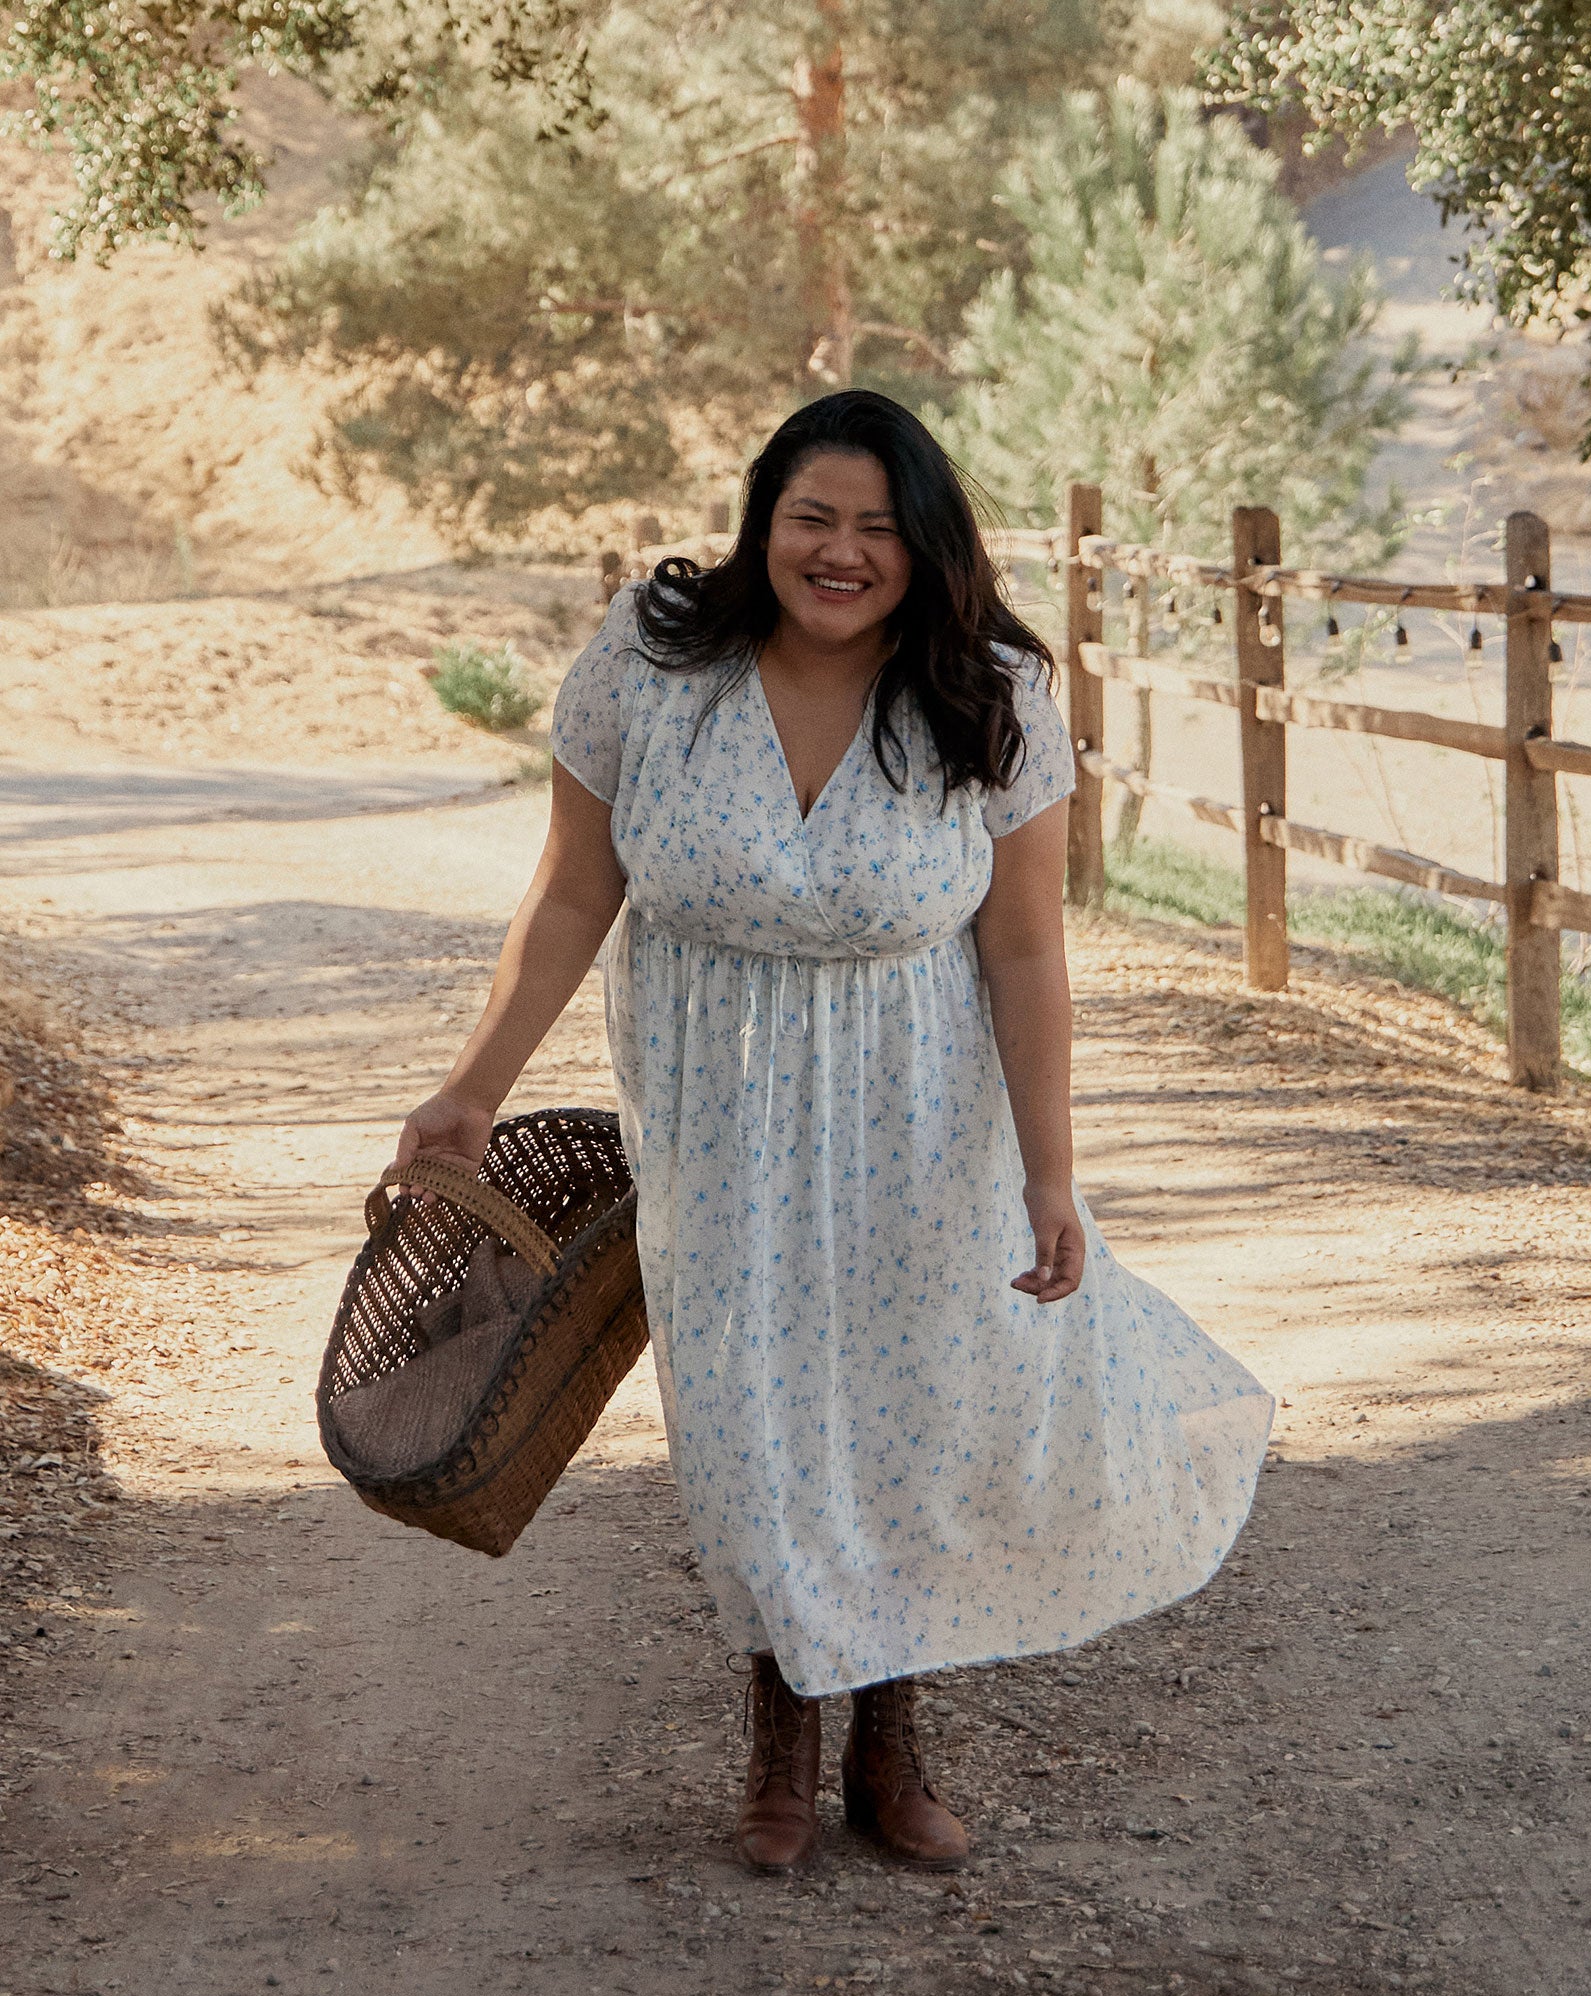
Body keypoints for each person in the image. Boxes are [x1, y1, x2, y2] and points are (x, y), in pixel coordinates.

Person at [392, 391, 1273, 1874]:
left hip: (921, 1117)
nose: (839, 552)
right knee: (751, 1437)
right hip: (716, 1119)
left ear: (924, 548)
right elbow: (565, 894)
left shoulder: (987, 693)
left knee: (895, 1425)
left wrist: (1048, 1173)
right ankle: (779, 1738)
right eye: (811, 518)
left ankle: (888, 1745)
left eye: (875, 526)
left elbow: (1026, 953)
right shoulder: (654, 660)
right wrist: (471, 1084)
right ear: (762, 525)